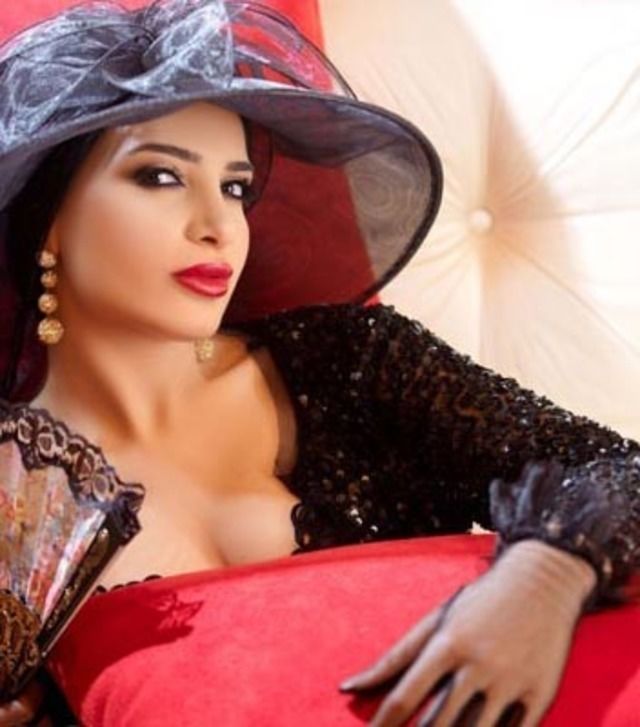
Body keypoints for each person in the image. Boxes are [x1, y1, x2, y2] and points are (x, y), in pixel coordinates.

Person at [0, 0, 638, 725]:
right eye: (162, 177)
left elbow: (618, 467)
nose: (219, 226)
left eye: (235, 187)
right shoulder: (15, 491)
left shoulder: (348, 360)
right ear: (47, 216)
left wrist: (543, 573)